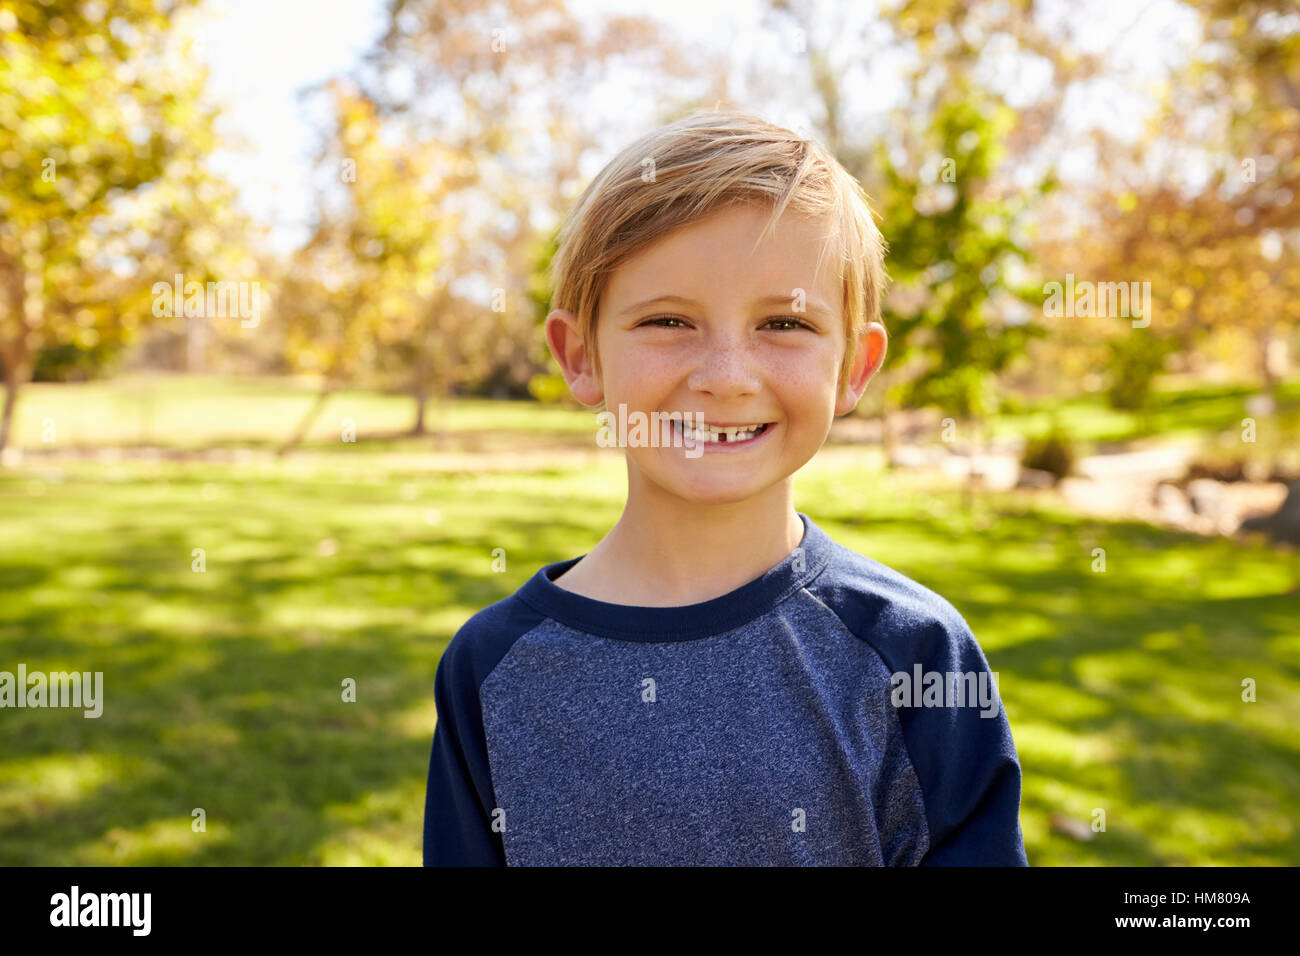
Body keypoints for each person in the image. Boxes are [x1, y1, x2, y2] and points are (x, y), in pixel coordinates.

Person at [423, 108, 1028, 865]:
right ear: (580, 357)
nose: (725, 379)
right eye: (670, 320)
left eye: (784, 325)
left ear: (855, 368)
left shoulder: (917, 655)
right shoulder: (491, 667)